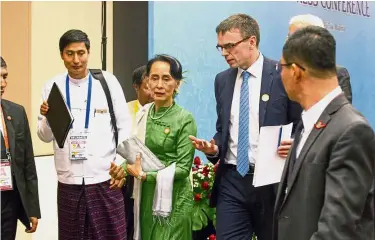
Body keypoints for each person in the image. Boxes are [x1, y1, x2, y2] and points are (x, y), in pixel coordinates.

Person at [189, 14, 301, 240]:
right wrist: (213, 148)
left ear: (252, 42)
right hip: (232, 179)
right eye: (220, 47)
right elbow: (223, 129)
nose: (224, 53)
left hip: (271, 180)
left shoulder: (283, 74)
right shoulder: (222, 80)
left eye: (229, 46)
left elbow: (301, 123)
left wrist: (296, 144)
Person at [274, 26, 375, 240]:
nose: (279, 74)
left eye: (280, 67)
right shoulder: (308, 123)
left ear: (295, 72)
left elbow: (337, 229)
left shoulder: (351, 130)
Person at [37, 29, 131, 239]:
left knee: (112, 235)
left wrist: (120, 165)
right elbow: (44, 136)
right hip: (69, 181)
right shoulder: (53, 86)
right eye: (70, 54)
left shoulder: (107, 82)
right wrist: (46, 117)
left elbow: (124, 127)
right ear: (62, 55)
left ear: (89, 52)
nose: (76, 60)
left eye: (81, 53)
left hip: (105, 178)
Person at [111, 54, 197, 240]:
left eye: (166, 79)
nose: (159, 85)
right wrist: (123, 169)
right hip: (146, 196)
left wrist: (143, 175)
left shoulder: (184, 119)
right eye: (154, 78)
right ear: (147, 81)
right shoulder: (143, 114)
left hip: (175, 199)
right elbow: (135, 155)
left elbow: (183, 169)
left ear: (177, 84)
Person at [1, 56, 41, 239]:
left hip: (10, 198)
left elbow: (28, 164)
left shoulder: (16, 112)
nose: (3, 83)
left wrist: (32, 208)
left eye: (5, 76)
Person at [288, 14, 353, 103]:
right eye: (289, 36)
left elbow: (341, 113)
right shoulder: (281, 72)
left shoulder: (338, 74)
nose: (288, 41)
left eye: (295, 37)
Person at [124, 65, 153, 240]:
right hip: (128, 178)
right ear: (136, 87)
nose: (153, 91)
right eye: (147, 86)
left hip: (152, 176)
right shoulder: (124, 111)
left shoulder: (164, 112)